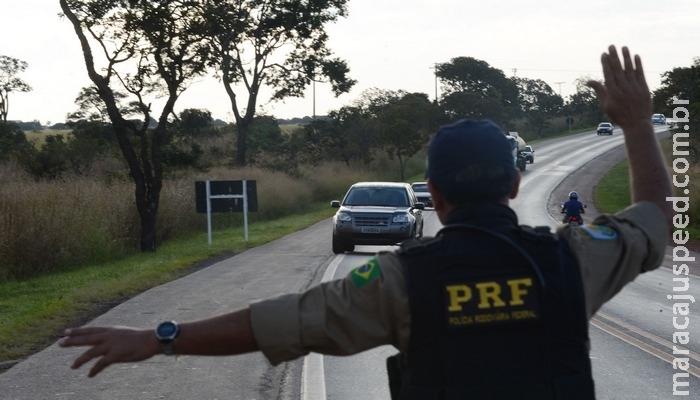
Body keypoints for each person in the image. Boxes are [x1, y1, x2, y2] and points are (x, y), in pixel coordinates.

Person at [59, 45, 673, 399]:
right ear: (515, 184)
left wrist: (162, 337)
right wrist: (639, 124)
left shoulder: (397, 282)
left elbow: (277, 322)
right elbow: (650, 220)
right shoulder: (571, 259)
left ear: (430, 193)